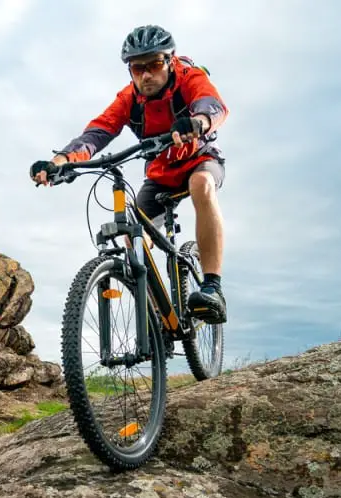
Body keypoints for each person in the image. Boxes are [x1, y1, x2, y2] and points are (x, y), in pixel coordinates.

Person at [30, 24, 229, 324]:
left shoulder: (190, 78)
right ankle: (159, 315)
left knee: (201, 184)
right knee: (133, 241)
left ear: (171, 61)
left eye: (154, 65)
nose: (146, 75)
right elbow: (97, 133)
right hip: (160, 175)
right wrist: (60, 161)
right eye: (137, 69)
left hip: (198, 160)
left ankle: (212, 287)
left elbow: (212, 105)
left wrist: (198, 122)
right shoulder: (129, 98)